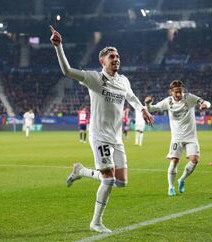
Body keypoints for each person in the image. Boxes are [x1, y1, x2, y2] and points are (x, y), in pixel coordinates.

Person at [50, 25, 154, 233]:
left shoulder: (123, 80)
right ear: (102, 61)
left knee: (121, 182)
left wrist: (142, 109)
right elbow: (67, 71)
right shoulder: (95, 79)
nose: (116, 59)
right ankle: (96, 222)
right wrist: (59, 47)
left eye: (117, 56)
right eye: (111, 57)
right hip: (99, 136)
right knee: (108, 180)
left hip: (116, 138)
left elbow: (131, 97)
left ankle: (81, 171)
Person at [145, 80, 211, 197]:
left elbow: (205, 102)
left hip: (191, 137)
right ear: (171, 92)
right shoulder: (168, 102)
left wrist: (205, 105)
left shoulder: (189, 98)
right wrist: (147, 104)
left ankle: (182, 179)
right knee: (174, 161)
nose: (179, 94)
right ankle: (171, 187)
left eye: (180, 91)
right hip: (177, 138)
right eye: (176, 92)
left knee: (194, 160)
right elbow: (151, 109)